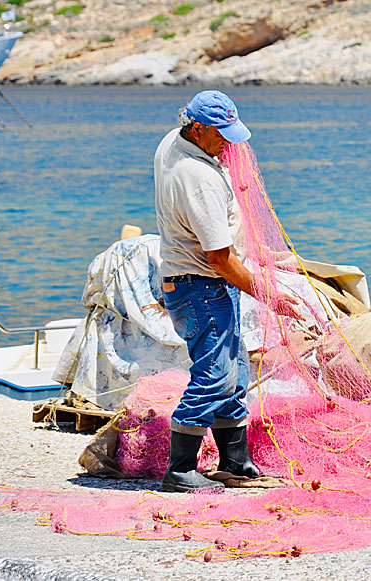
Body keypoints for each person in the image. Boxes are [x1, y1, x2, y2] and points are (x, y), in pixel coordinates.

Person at [154, 90, 299, 492]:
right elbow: (218, 257)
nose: (230, 144)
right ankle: (180, 469)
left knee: (234, 373)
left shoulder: (173, 140)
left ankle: (235, 461)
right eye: (222, 134)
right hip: (200, 286)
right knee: (214, 377)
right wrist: (268, 293)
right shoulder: (198, 178)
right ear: (197, 128)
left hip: (204, 284)